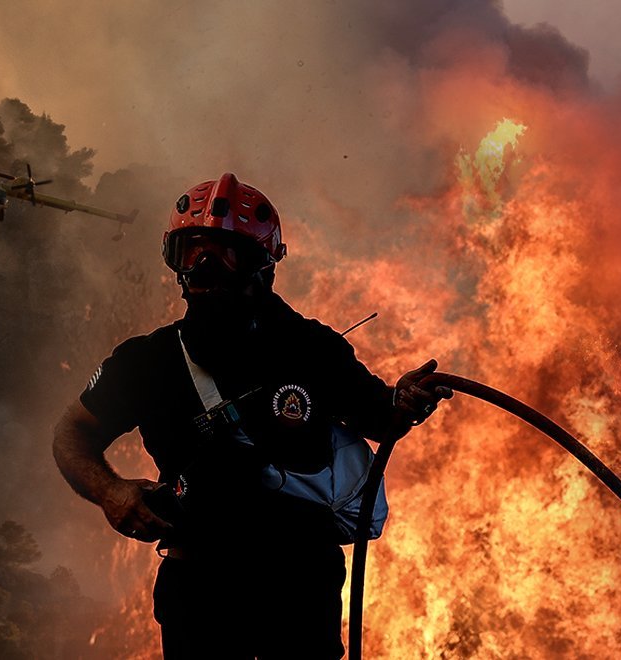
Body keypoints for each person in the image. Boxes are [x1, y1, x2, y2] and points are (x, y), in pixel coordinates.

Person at [53, 172, 451, 659]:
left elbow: (380, 419)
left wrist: (405, 403)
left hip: (300, 590)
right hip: (198, 591)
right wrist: (110, 491)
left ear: (263, 265)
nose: (203, 267)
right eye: (190, 251)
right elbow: (72, 433)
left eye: (223, 252)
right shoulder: (147, 361)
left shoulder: (311, 346)